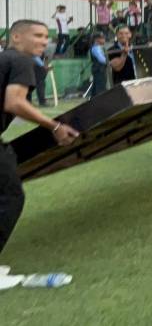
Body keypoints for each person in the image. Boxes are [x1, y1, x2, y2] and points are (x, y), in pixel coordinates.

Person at [1, 20, 80, 254]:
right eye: (37, 36)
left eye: (46, 37)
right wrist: (54, 126)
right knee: (10, 197)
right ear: (16, 37)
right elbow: (14, 102)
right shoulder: (20, 60)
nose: (44, 41)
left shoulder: (5, 59)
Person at [89, 33, 108, 98]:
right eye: (102, 38)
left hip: (99, 69)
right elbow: (101, 60)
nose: (104, 40)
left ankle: (93, 101)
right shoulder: (96, 48)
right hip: (99, 70)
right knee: (100, 88)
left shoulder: (98, 48)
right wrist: (110, 62)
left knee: (96, 88)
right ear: (97, 39)